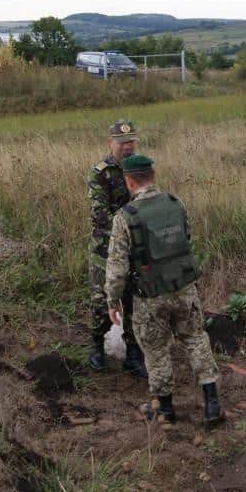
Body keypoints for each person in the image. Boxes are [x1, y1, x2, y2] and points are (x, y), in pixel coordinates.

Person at [105, 154, 223, 426]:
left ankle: (166, 410)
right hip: (183, 287)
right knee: (195, 338)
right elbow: (186, 238)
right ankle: (212, 404)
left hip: (149, 296)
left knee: (156, 350)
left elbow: (117, 267)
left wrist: (112, 301)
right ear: (153, 174)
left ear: (129, 181)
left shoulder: (125, 217)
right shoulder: (175, 203)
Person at [87, 119, 147, 377]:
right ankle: (97, 347)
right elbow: (100, 216)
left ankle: (133, 355)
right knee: (101, 301)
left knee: (134, 301)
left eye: (131, 141)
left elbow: (149, 203)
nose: (127, 146)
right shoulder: (100, 172)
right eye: (122, 142)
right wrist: (130, 229)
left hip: (134, 249)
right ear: (110, 143)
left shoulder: (141, 169)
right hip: (106, 249)